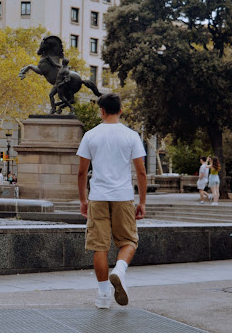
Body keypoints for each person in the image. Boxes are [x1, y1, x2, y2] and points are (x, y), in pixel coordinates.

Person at [77, 93, 147, 309]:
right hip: (123, 196)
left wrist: (83, 200)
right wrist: (142, 201)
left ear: (102, 111)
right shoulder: (131, 135)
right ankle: (120, 270)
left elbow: (81, 173)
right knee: (128, 241)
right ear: (121, 110)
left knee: (100, 246)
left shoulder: (90, 135)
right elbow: (141, 172)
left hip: (97, 196)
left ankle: (104, 295)